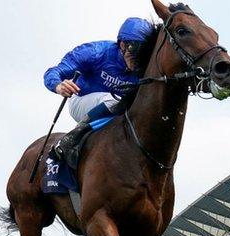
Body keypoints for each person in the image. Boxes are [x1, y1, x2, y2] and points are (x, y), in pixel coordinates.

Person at [43, 17, 154, 166]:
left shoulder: (144, 68)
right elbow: (54, 72)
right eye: (134, 53)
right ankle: (70, 140)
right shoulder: (95, 52)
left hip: (116, 112)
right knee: (112, 101)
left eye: (143, 54)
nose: (138, 60)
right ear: (122, 44)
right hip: (81, 100)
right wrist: (58, 86)